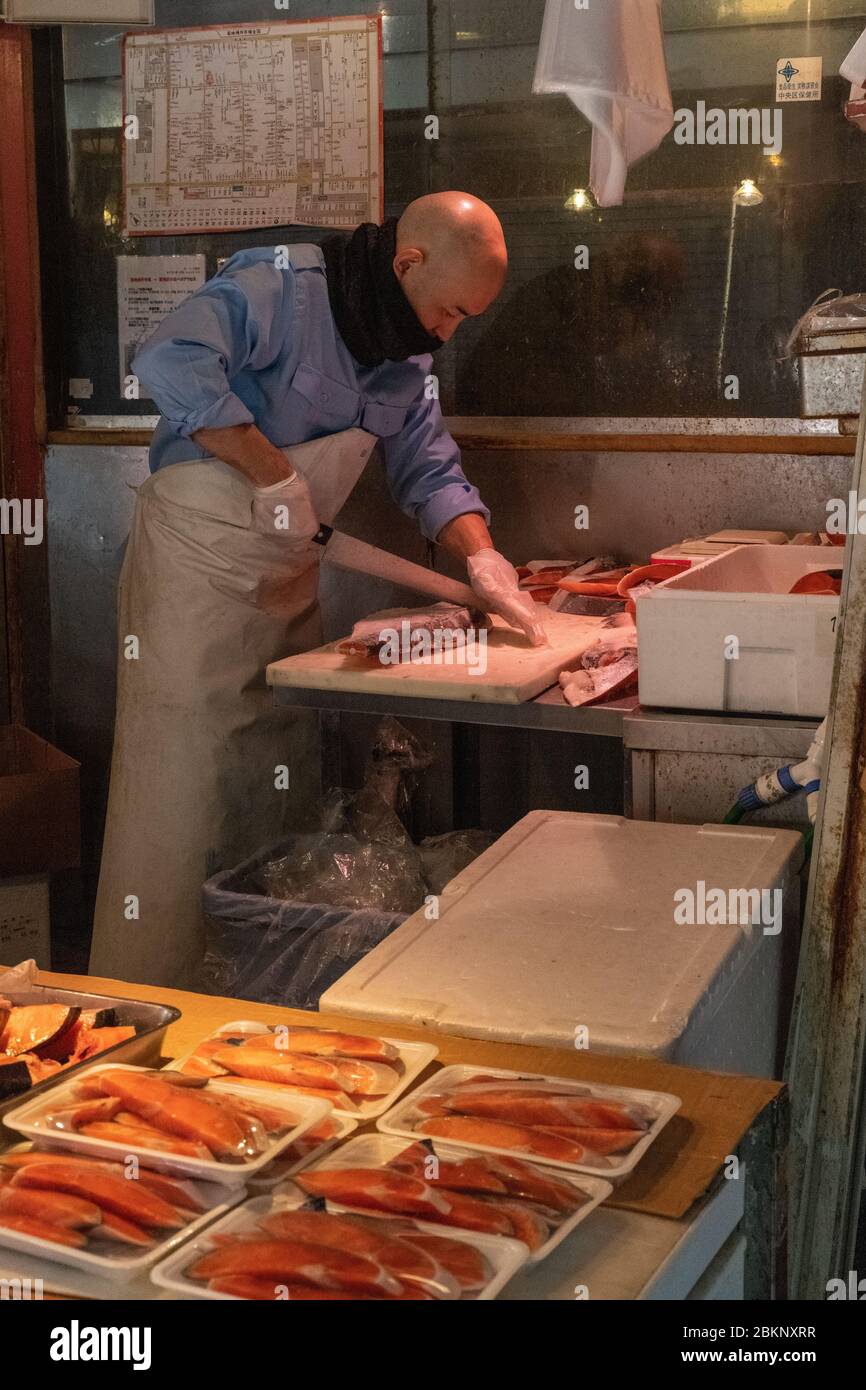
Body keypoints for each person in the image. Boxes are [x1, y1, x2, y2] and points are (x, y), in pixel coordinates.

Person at [89, 192, 543, 989]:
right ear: (407, 263)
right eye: (449, 311)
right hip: (197, 570)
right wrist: (275, 473)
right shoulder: (280, 287)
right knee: (185, 797)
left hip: (286, 574)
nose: (450, 330)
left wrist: (482, 558)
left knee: (272, 793)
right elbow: (168, 359)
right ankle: (150, 1007)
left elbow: (427, 467)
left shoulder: (406, 359)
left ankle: (256, 1007)